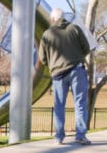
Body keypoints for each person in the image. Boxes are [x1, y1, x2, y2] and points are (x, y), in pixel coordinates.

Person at [35, 8, 91, 145]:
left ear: (52, 19)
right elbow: (86, 48)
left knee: (59, 105)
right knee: (80, 104)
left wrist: (53, 63)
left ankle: (59, 136)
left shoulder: (47, 34)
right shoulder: (74, 29)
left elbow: (42, 58)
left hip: (58, 74)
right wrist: (77, 56)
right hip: (77, 70)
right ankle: (80, 135)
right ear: (63, 18)